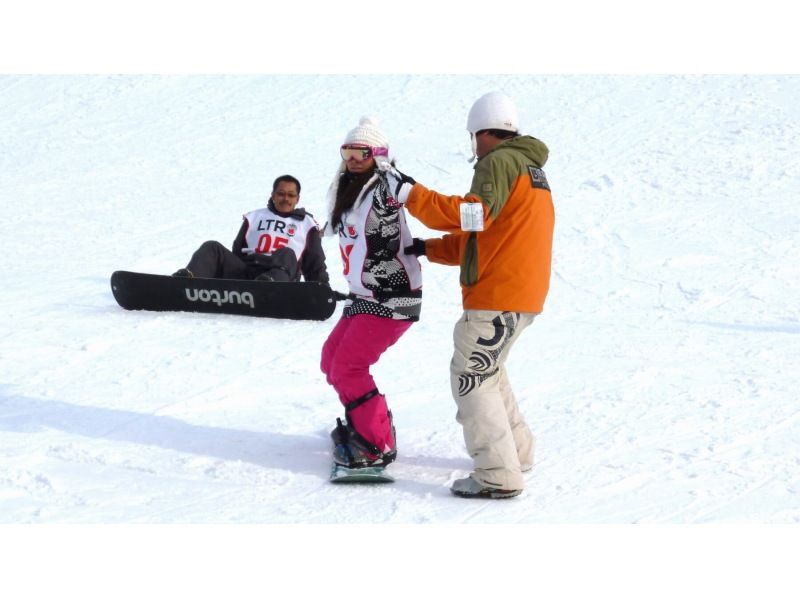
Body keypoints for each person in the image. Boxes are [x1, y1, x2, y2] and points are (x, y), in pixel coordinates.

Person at [394, 92, 555, 499]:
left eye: (473, 137)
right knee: (489, 370)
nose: (473, 146)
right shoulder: (530, 169)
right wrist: (428, 248)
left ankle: (498, 475)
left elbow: (473, 214)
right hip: (521, 293)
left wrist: (410, 195)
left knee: (470, 377)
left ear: (481, 133)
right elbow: (485, 236)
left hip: (497, 295)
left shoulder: (498, 162)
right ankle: (517, 453)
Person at [320, 116, 422, 474]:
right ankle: (364, 423)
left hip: (391, 297)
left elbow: (408, 193)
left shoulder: (384, 186)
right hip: (363, 295)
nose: (352, 158)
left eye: (361, 152)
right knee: (331, 360)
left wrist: (464, 216)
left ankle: (377, 443)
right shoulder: (349, 192)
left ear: (377, 155)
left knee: (348, 367)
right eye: (347, 151)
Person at [172, 175, 329, 284]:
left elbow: (315, 262)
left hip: (282, 276)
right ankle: (188, 280)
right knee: (211, 247)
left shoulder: (306, 223)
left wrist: (322, 289)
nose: (285, 199)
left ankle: (269, 284)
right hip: (249, 271)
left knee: (287, 252)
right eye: (281, 194)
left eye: (290, 195)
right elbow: (237, 251)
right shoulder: (255, 217)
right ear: (273, 195)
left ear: (297, 199)